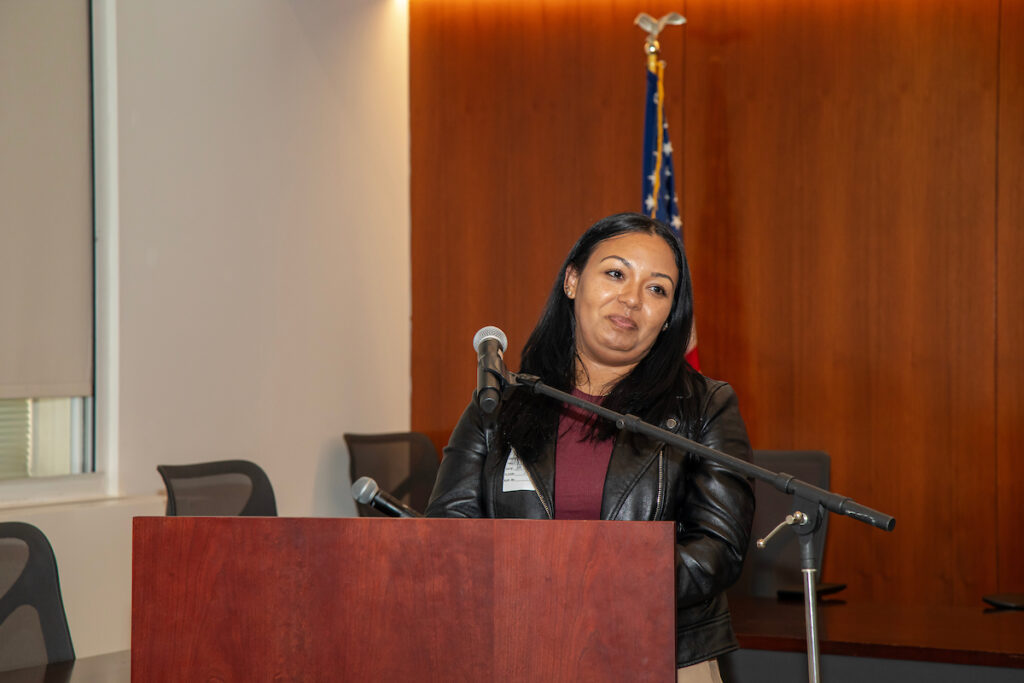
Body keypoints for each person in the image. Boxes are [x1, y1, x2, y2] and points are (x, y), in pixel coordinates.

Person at [426, 212, 754, 682]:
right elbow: (446, 536)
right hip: (515, 647)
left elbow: (718, 548)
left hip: (662, 653)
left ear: (669, 319)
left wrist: (593, 591)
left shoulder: (705, 406)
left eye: (657, 289)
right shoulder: (499, 402)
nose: (632, 299)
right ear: (573, 281)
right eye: (616, 273)